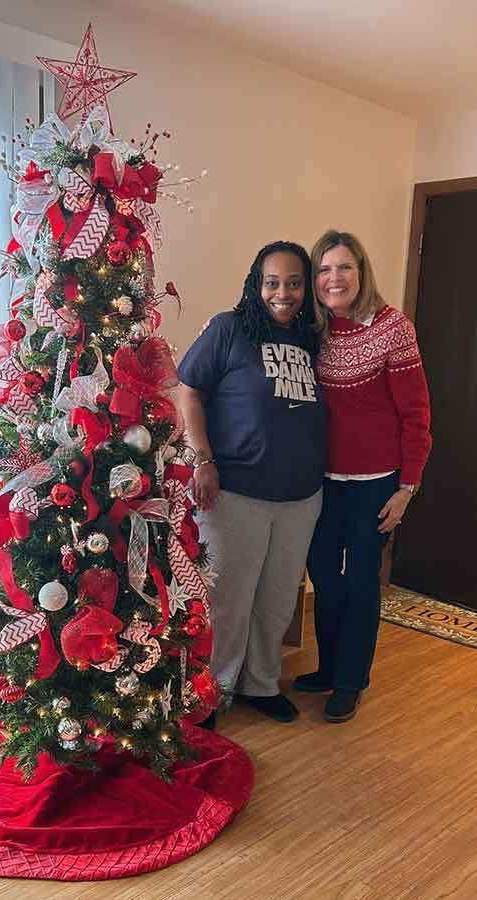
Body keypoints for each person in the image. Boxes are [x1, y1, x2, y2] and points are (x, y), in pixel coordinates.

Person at [178, 241, 326, 727]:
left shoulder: (312, 338)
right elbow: (189, 392)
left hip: (300, 497)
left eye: (294, 283)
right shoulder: (229, 329)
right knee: (227, 601)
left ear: (306, 288)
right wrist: (202, 459)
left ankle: (261, 684)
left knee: (278, 600)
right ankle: (213, 692)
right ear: (255, 284)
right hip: (235, 493)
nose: (283, 293)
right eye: (272, 282)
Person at [294, 230, 432, 723]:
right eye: (324, 269)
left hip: (376, 483)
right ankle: (329, 668)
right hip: (323, 482)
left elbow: (416, 414)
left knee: (359, 583)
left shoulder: (393, 328)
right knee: (322, 575)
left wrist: (407, 488)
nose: (334, 278)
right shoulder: (313, 330)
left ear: (361, 272)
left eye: (344, 267)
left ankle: (351, 681)